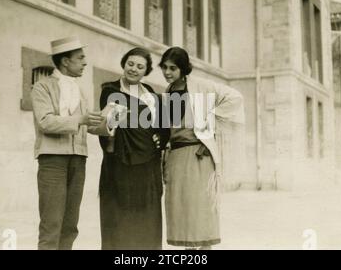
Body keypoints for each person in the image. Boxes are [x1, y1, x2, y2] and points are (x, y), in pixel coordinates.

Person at [159, 47, 245, 250]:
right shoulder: (168, 93)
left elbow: (235, 98)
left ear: (183, 69)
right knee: (183, 210)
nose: (167, 72)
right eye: (164, 67)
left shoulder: (201, 86)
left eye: (173, 68)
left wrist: (209, 120)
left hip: (199, 156)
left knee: (202, 209)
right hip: (176, 159)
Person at [31, 36, 106, 250]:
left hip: (78, 160)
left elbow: (87, 126)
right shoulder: (42, 87)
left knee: (70, 225)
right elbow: (45, 122)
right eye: (80, 58)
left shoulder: (79, 90)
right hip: (52, 160)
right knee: (51, 224)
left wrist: (108, 123)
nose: (85, 62)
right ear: (65, 61)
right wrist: (81, 119)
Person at [97, 47, 168, 250]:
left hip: (149, 164)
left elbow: (161, 124)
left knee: (147, 218)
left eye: (140, 66)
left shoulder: (151, 94)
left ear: (146, 71)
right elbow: (108, 125)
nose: (134, 69)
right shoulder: (111, 90)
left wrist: (158, 139)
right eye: (130, 64)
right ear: (123, 63)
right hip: (121, 162)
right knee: (120, 218)